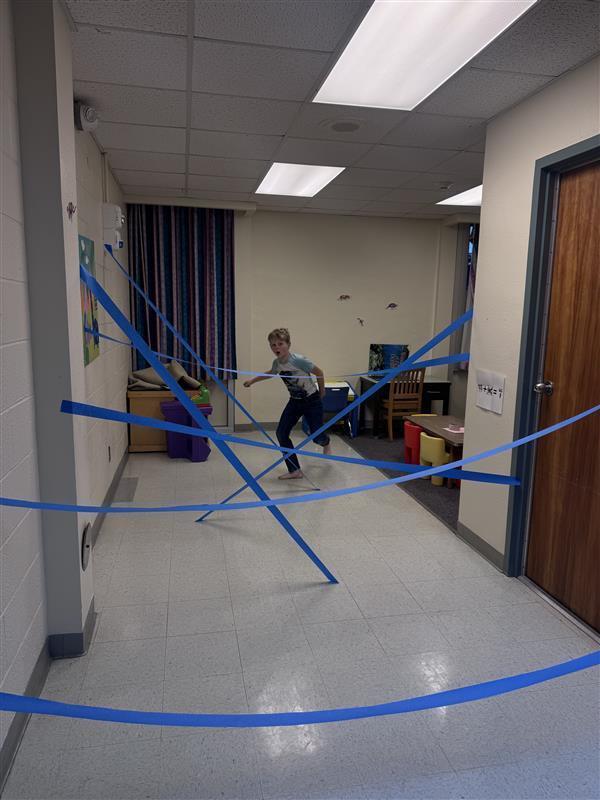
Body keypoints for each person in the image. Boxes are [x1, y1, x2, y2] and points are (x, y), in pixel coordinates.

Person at [243, 328, 330, 479]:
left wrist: (322, 392)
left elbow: (319, 372)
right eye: (273, 345)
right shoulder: (277, 363)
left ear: (288, 344)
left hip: (311, 400)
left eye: (280, 343)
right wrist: (252, 381)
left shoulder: (298, 360)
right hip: (295, 402)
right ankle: (295, 470)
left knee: (317, 437)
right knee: (281, 433)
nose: (276, 347)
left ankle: (326, 443)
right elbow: (270, 373)